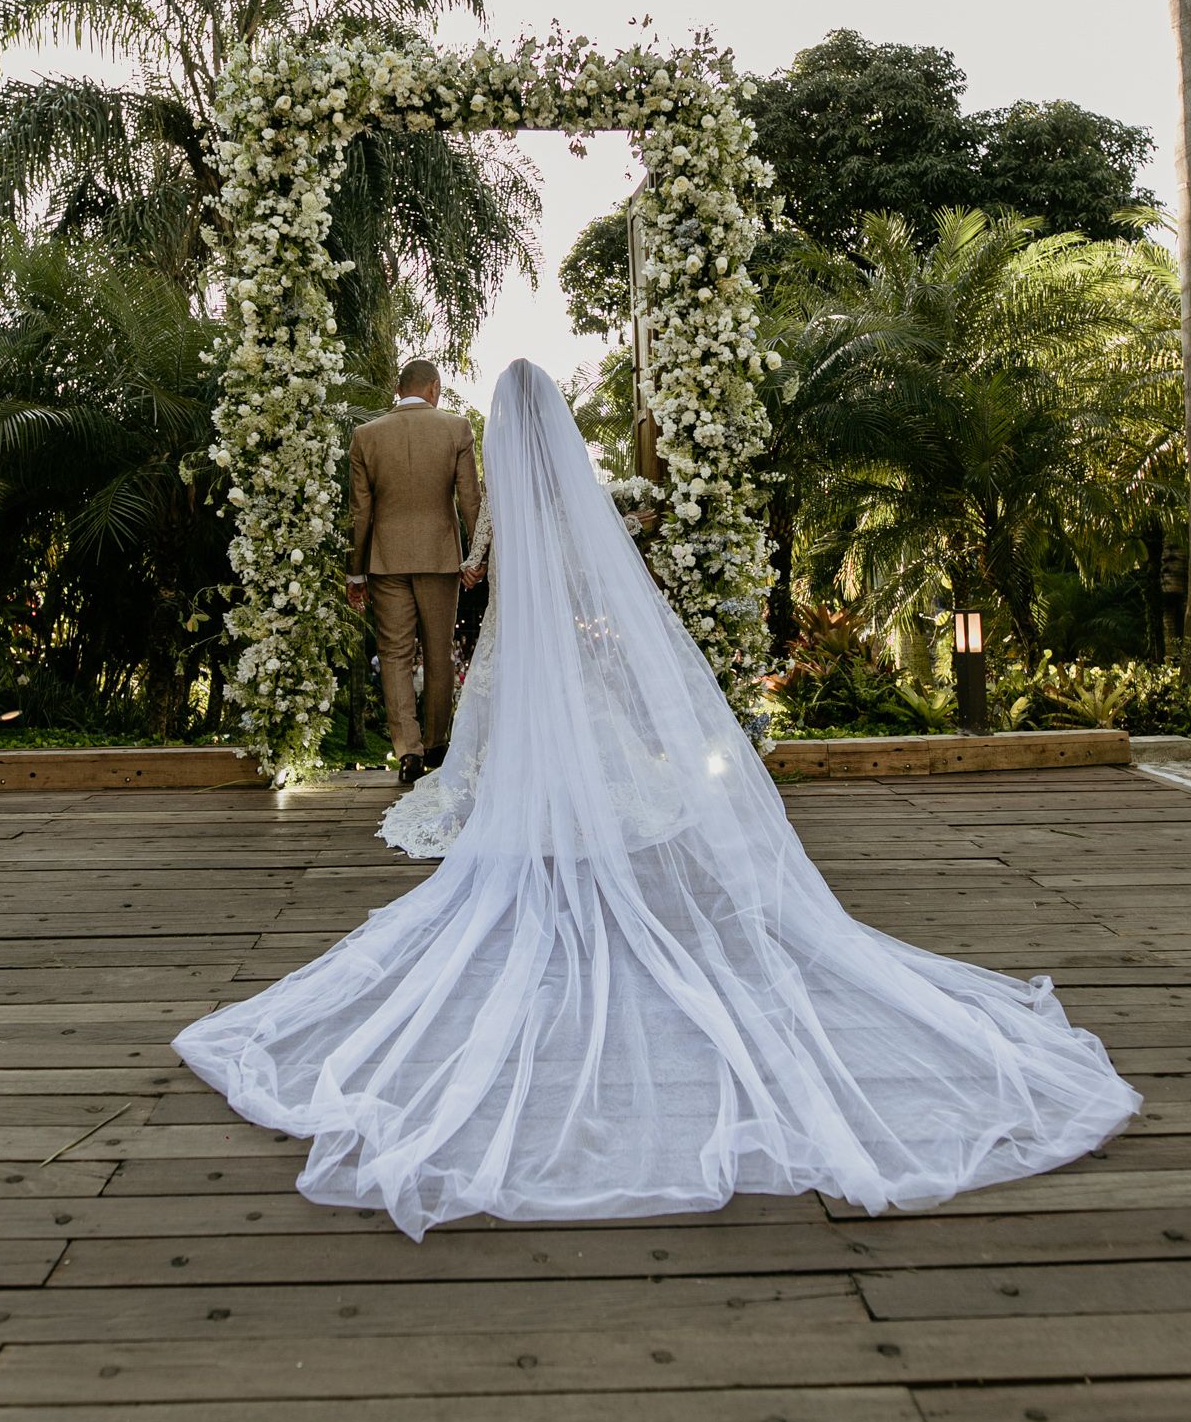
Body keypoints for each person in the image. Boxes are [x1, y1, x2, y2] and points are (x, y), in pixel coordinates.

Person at [175, 359, 1140, 1241]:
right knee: (495, 679)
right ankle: (499, 760)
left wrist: (420, 558)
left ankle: (415, 751)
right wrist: (473, 552)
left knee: (427, 667)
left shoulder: (397, 444)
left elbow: (439, 519)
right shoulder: (503, 462)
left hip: (414, 564)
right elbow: (493, 518)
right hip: (472, 568)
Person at [345, 358, 481, 785]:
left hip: (385, 561)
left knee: (395, 655)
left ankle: (407, 750)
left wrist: (355, 573)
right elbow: (469, 501)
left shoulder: (366, 436)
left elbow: (359, 513)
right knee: (439, 651)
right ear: (434, 388)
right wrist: (478, 557)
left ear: (398, 388)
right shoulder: (456, 428)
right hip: (441, 558)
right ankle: (438, 743)